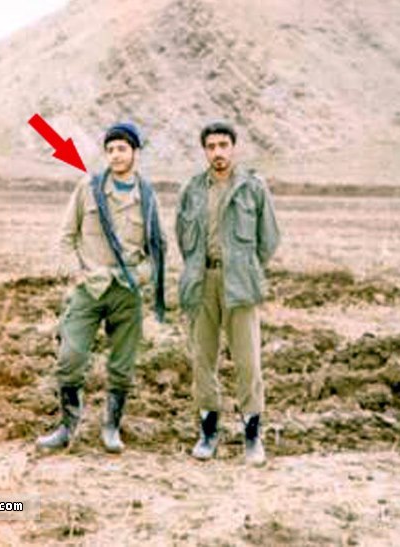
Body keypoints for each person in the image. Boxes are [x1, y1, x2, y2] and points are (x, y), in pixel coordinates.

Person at [37, 122, 166, 453]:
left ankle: (111, 427)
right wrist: (76, 274)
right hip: (89, 289)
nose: (115, 155)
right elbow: (66, 238)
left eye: (122, 149)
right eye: (110, 149)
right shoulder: (88, 188)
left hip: (126, 292)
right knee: (70, 358)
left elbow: (158, 251)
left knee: (122, 367)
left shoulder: (148, 197)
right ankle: (67, 427)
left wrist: (140, 276)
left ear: (135, 153)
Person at [175, 121, 280, 466]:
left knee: (248, 362)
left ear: (233, 148)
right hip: (202, 282)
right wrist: (199, 268)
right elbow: (182, 237)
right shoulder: (192, 189)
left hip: (240, 285)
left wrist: (245, 267)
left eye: (223, 145)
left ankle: (252, 436)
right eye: (211, 146)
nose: (217, 152)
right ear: (204, 151)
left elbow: (268, 239)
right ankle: (208, 432)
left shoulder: (252, 188)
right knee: (202, 360)